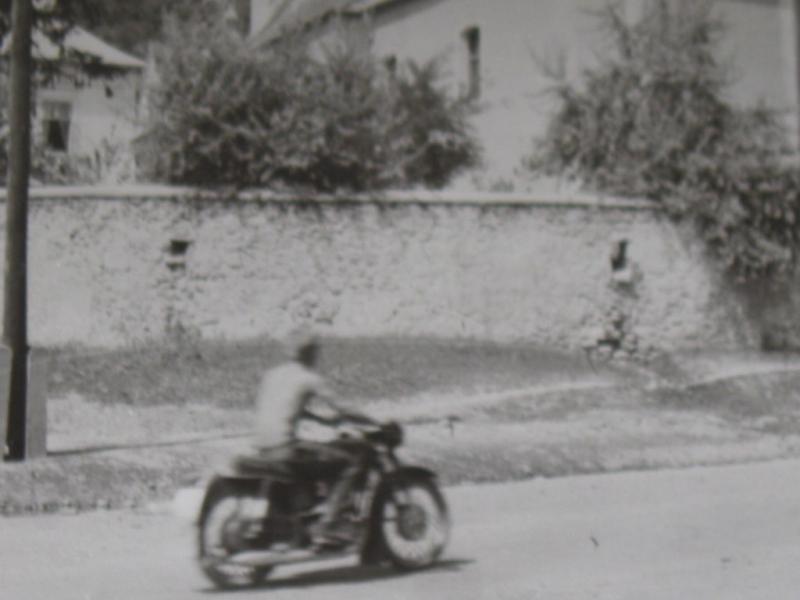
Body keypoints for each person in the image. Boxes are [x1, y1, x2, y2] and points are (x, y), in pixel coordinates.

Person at [253, 329, 375, 548]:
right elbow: (343, 408)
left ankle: (311, 514)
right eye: (316, 351)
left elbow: (283, 408)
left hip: (262, 447)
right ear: (310, 352)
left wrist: (323, 420)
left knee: (320, 455)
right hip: (285, 448)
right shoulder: (309, 378)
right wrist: (375, 421)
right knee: (351, 461)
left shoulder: (272, 375)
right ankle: (330, 523)